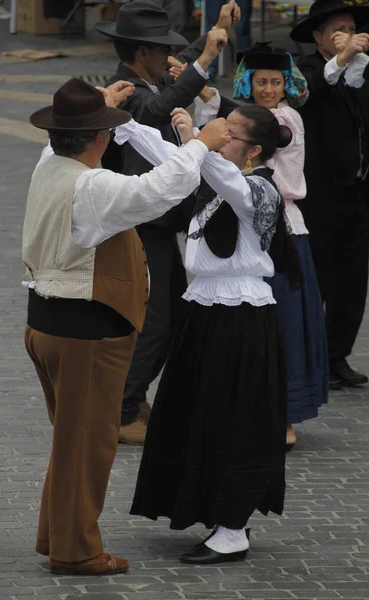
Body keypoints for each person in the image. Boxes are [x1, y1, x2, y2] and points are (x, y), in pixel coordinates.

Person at [22, 76, 230, 576]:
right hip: (84, 334)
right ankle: (75, 551)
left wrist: (102, 109)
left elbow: (85, 156)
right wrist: (201, 144)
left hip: (47, 326)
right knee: (89, 443)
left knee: (72, 438)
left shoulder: (48, 165)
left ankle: (58, 534)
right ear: (98, 139)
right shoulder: (93, 186)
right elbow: (159, 189)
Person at [115, 104, 291, 565]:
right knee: (197, 415)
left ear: (253, 150)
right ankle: (218, 513)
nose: (220, 137)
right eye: (222, 129)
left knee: (234, 418)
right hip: (203, 310)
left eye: (229, 134)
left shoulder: (258, 188)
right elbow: (175, 159)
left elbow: (210, 164)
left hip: (242, 317)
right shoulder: (213, 179)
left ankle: (232, 529)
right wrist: (124, 123)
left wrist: (197, 138)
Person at [95, 0, 238, 445]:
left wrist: (211, 34)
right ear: (141, 52)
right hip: (140, 227)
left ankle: (131, 399)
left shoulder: (148, 76)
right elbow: (158, 108)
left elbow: (176, 73)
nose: (167, 58)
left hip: (157, 224)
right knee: (157, 322)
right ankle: (121, 410)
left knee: (175, 315)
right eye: (160, 50)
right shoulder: (130, 90)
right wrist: (207, 59)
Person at [230, 42, 328, 449]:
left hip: (283, 233)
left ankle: (285, 414)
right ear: (248, 83)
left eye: (275, 81)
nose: (268, 89)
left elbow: (275, 145)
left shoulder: (287, 120)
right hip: (244, 232)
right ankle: (248, 411)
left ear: (286, 83)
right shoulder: (239, 117)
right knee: (246, 325)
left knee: (283, 324)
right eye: (261, 81)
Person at [290, 0, 369, 389]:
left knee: (353, 281)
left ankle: (338, 356)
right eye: (339, 28)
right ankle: (311, 359)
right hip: (317, 195)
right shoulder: (306, 69)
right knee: (318, 279)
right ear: (319, 37)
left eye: (352, 28)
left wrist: (354, 62)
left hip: (357, 191)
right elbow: (304, 96)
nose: (348, 35)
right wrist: (339, 60)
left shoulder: (362, 71)